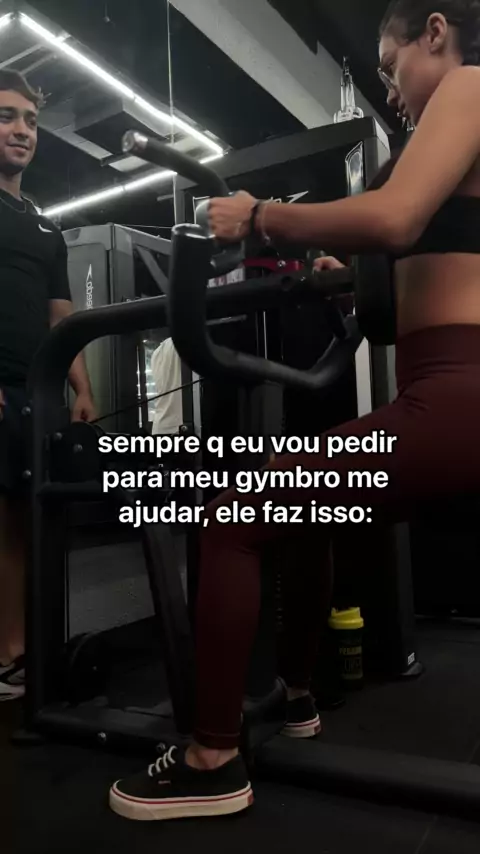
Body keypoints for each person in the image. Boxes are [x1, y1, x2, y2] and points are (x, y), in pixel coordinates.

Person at [110, 0, 480, 821]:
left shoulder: (472, 86)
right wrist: (338, 274)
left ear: (436, 31)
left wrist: (260, 216)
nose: (391, 90)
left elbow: (395, 218)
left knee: (235, 513)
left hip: (459, 393)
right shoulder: (452, 136)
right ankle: (299, 695)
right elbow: (428, 260)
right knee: (309, 513)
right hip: (443, 388)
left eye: (390, 68)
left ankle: (210, 758)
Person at [0, 70, 96, 701]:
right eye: (7, 116)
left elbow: (62, 316)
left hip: (40, 394)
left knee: (36, 521)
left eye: (31, 121)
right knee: (5, 526)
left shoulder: (44, 226)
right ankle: (8, 655)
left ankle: (27, 647)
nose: (22, 131)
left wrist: (81, 387)